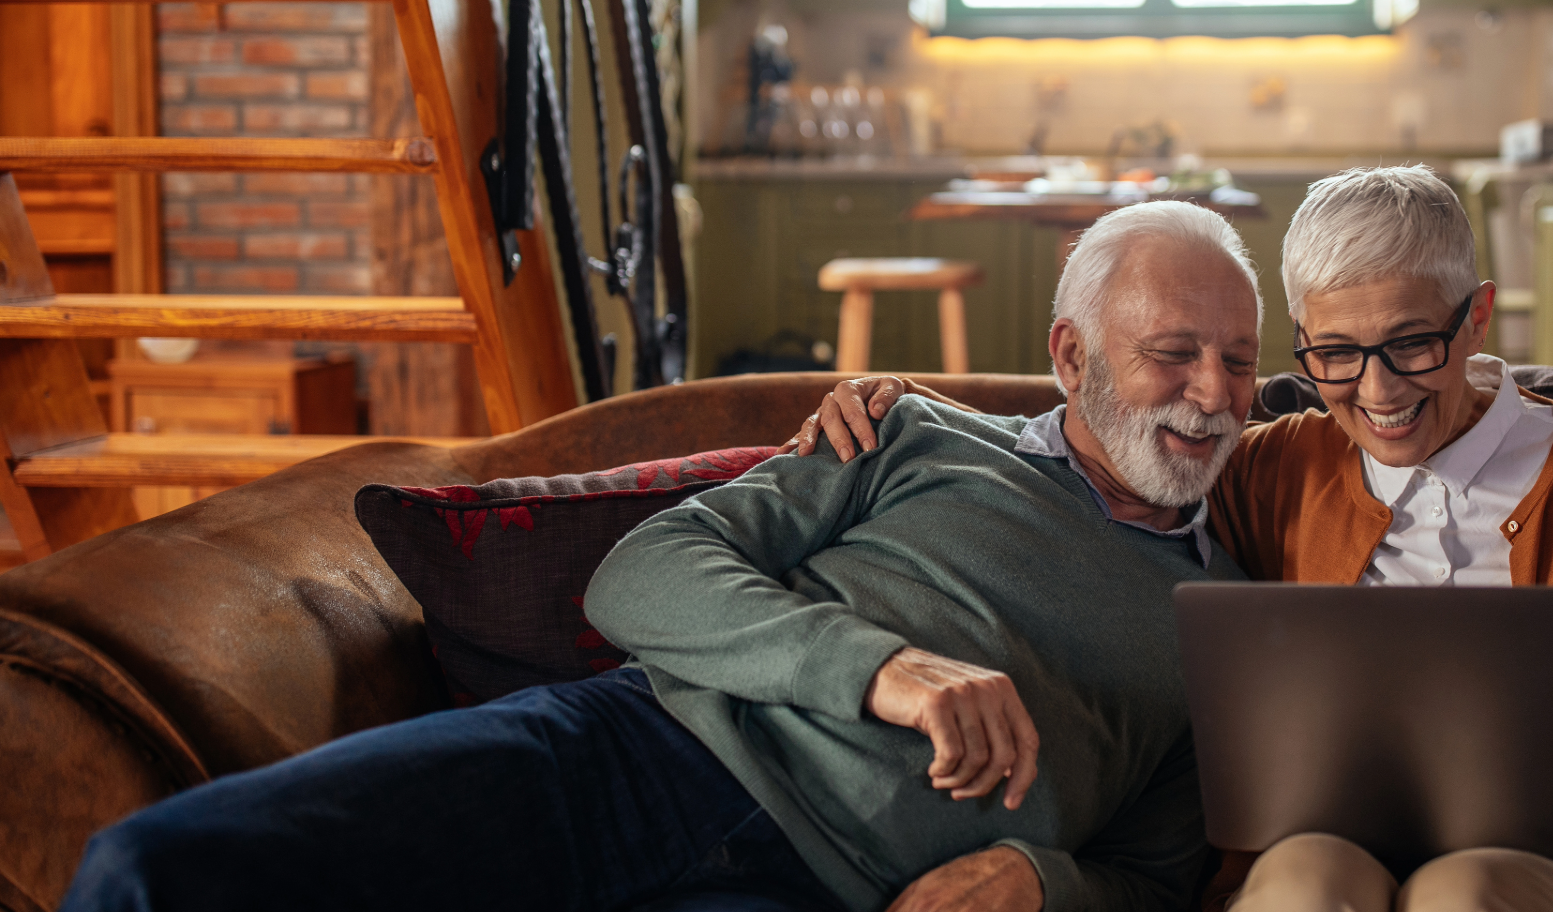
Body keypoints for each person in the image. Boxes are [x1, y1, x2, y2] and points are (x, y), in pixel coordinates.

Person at [59, 200, 1259, 912]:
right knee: (155, 872)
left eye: (1242, 362)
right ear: (1069, 355)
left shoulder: (1229, 622)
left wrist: (1049, 886)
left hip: (823, 890)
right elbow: (641, 576)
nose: (1213, 395)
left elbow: (1158, 874)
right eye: (1174, 353)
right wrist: (881, 665)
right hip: (632, 753)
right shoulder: (909, 431)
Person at [789, 166, 1553, 912]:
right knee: (1297, 883)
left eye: (1413, 344)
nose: (1377, 394)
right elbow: (1116, 446)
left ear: (1476, 320)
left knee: (1462, 892)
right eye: (1336, 354)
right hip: (1338, 845)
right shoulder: (1271, 465)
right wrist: (911, 407)